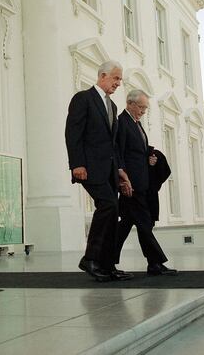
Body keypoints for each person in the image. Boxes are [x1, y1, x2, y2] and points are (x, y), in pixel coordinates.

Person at [65, 60, 134, 282]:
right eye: (116, 78)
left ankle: (107, 264)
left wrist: (121, 171)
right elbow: (73, 133)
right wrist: (77, 164)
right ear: (103, 75)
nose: (118, 84)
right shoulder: (83, 98)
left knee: (113, 212)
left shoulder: (112, 106)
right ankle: (90, 259)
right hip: (89, 167)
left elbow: (113, 144)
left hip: (110, 169)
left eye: (120, 80)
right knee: (108, 205)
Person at [114, 90, 177, 276]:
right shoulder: (122, 123)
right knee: (144, 222)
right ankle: (155, 262)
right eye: (141, 107)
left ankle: (106, 260)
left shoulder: (136, 124)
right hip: (131, 184)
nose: (143, 111)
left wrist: (149, 158)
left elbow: (137, 152)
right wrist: (122, 178)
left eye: (145, 108)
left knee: (126, 225)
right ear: (130, 103)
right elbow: (119, 152)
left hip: (141, 182)